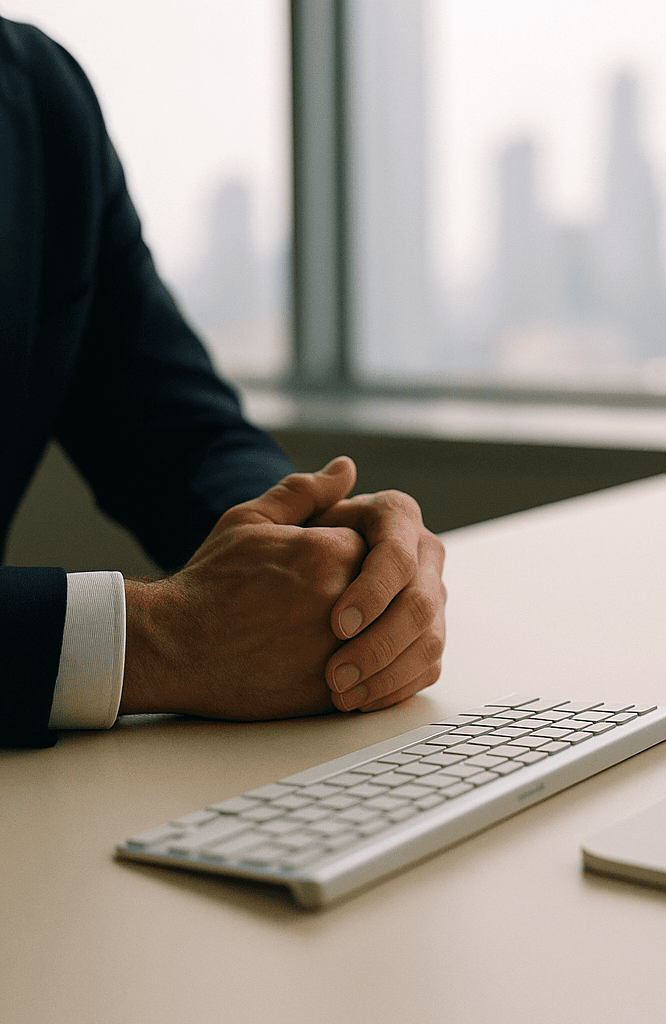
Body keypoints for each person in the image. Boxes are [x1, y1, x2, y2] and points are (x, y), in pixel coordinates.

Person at [0, 17, 446, 748]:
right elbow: (176, 632)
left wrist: (324, 551)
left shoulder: (40, 96)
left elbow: (182, 434)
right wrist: (156, 639)